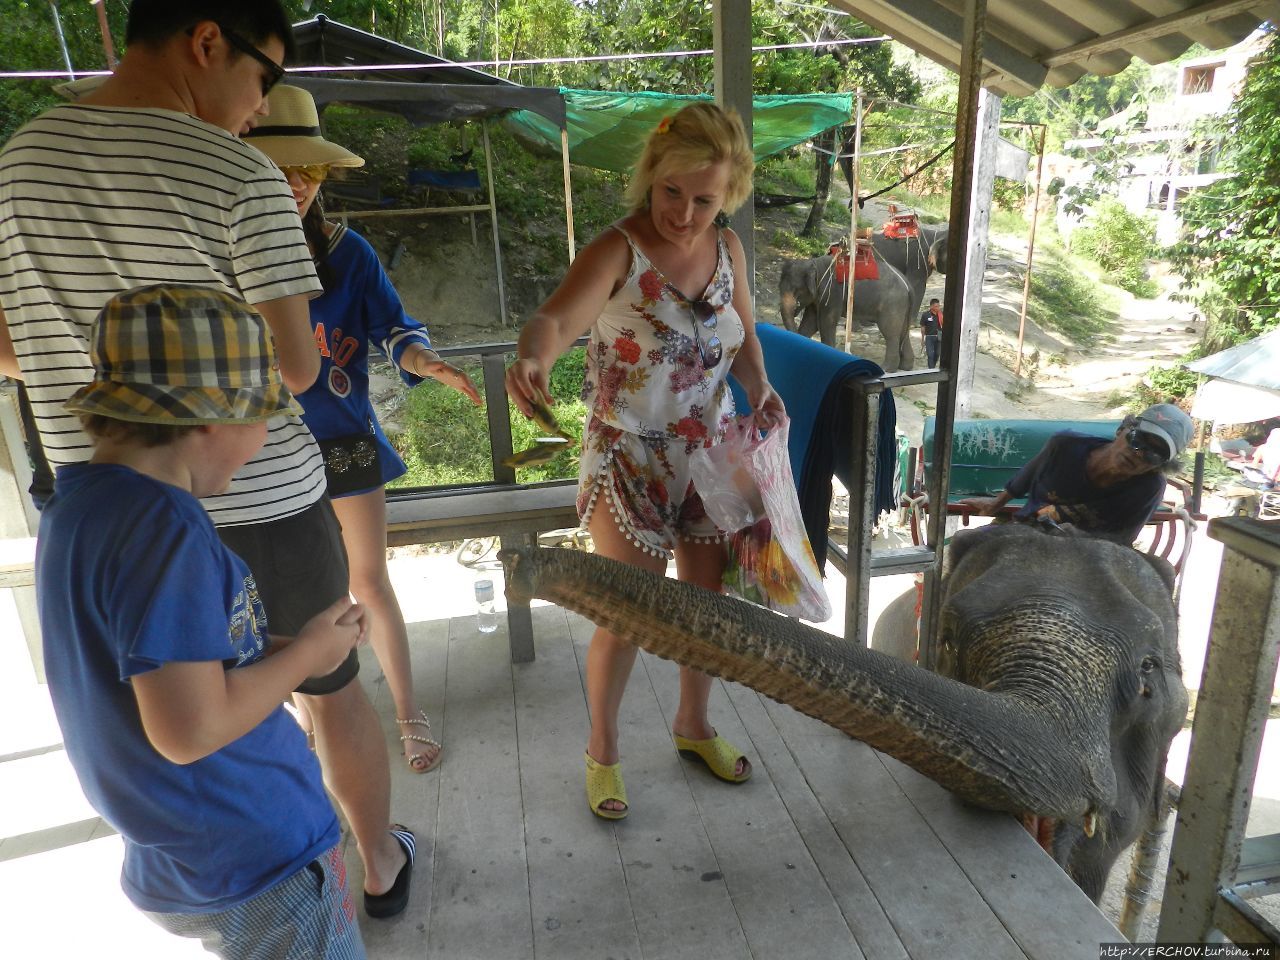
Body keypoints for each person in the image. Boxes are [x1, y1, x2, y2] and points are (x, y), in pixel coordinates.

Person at [0, 1, 410, 916]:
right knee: (326, 678)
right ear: (207, 40)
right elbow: (298, 365)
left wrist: (113, 370)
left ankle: (220, 891)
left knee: (145, 721)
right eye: (263, 76)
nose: (259, 107)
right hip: (255, 492)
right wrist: (200, 378)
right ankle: (373, 865)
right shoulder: (237, 173)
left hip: (97, 489)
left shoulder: (19, 159)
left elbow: (8, 338)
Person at [36, 285, 376, 959]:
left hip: (176, 846)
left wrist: (288, 647)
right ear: (212, 420)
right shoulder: (165, 531)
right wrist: (308, 653)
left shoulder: (81, 506)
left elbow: (148, 662)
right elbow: (189, 730)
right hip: (254, 851)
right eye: (265, 419)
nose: (263, 439)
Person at [505, 103, 785, 820]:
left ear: (728, 198)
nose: (684, 214)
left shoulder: (730, 250)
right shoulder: (616, 250)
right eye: (671, 193)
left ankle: (693, 726)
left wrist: (761, 388)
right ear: (649, 179)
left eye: (704, 199)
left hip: (709, 451)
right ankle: (602, 752)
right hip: (627, 453)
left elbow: (745, 336)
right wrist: (535, 353)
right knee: (628, 612)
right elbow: (557, 319)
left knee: (702, 603)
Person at [245, 85, 483, 773]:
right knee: (277, 598)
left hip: (343, 442)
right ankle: (305, 720)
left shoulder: (349, 254)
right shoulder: (220, 252)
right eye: (280, 168)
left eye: (310, 171)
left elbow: (393, 330)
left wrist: (425, 361)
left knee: (368, 581)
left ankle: (409, 712)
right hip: (256, 455)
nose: (297, 185)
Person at [958, 403, 1194, 545]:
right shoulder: (1066, 445)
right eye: (1137, 439)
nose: (1139, 454)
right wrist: (996, 503)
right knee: (961, 544)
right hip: (1025, 531)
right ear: (1122, 430)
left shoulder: (1149, 487)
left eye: (1154, 454)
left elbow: (1124, 539)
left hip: (1092, 552)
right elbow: (1028, 474)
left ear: (1160, 466)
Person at [919, 298, 943, 368]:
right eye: (936, 306)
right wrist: (922, 339)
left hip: (938, 337)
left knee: (937, 354)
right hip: (929, 337)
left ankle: (933, 366)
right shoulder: (925, 315)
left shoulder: (941, 315)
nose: (938, 308)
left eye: (938, 306)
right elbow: (923, 328)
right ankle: (931, 370)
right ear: (931, 306)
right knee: (930, 354)